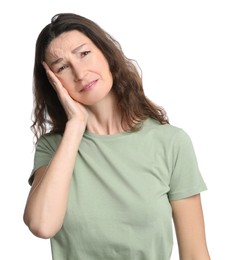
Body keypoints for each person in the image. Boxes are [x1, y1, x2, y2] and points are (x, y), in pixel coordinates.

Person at [23, 13, 210, 260]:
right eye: (63, 67)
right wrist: (76, 125)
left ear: (106, 53)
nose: (79, 73)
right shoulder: (54, 148)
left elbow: (195, 254)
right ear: (54, 82)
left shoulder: (170, 143)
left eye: (84, 53)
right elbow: (42, 225)